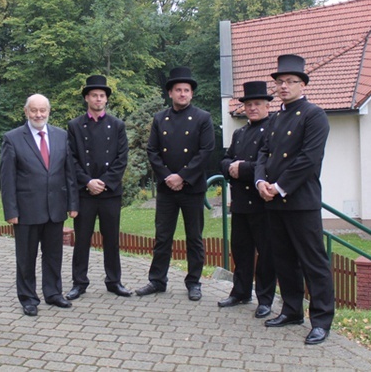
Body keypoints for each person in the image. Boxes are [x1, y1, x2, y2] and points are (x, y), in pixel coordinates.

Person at [255, 54, 334, 345]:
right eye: (279, 82)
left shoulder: (314, 115)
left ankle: (322, 320)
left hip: (300, 201)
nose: (284, 86)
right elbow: (264, 153)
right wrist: (261, 181)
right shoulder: (275, 118)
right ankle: (291, 310)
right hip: (273, 200)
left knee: (313, 261)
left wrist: (279, 186)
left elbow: (309, 159)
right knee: (283, 259)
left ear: (302, 84)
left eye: (290, 81)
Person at [136, 67, 215, 301]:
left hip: (192, 188)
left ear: (191, 94)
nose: (182, 94)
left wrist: (182, 176)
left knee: (194, 238)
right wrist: (167, 177)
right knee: (162, 236)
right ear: (170, 92)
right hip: (166, 188)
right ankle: (157, 280)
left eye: (186, 90)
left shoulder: (203, 118)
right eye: (178, 90)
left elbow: (206, 151)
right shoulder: (160, 118)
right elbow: (152, 150)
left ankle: (194, 282)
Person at [0, 94, 79, 316]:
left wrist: (73, 203)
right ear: (26, 112)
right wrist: (11, 210)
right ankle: (28, 298)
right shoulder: (12, 138)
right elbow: (7, 179)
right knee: (26, 257)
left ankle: (53, 294)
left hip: (55, 208)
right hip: (26, 210)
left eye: (43, 110)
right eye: (34, 110)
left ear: (49, 111)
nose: (38, 115)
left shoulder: (61, 136)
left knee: (54, 254)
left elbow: (69, 173)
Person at [66, 75, 131, 301]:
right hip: (85, 192)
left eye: (102, 95)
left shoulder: (117, 125)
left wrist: (104, 183)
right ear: (87, 98)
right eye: (94, 95)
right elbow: (71, 158)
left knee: (111, 239)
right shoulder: (74, 125)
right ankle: (79, 282)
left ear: (106, 99)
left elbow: (122, 159)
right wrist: (88, 182)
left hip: (110, 192)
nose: (98, 99)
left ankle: (114, 281)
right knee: (82, 239)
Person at [217, 81, 277, 318]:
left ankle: (265, 299)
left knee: (266, 254)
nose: (252, 108)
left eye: (257, 104)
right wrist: (230, 166)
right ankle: (240, 292)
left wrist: (241, 169)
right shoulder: (239, 132)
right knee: (241, 250)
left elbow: (271, 165)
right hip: (240, 202)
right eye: (248, 104)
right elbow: (225, 159)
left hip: (262, 203)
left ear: (266, 106)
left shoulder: (274, 129)